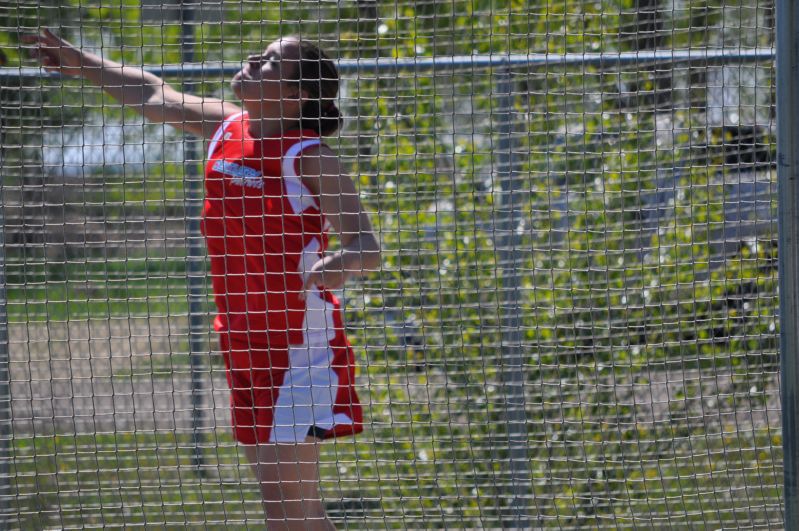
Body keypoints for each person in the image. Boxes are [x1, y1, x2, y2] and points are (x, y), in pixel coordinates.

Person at [25, 28, 381, 530]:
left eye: (273, 61)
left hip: (299, 348)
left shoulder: (310, 157)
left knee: (287, 512)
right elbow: (153, 94)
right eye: (259, 52)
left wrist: (340, 265)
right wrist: (80, 62)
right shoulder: (229, 126)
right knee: (293, 510)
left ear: (298, 94)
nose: (254, 59)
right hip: (241, 343)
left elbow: (367, 247)